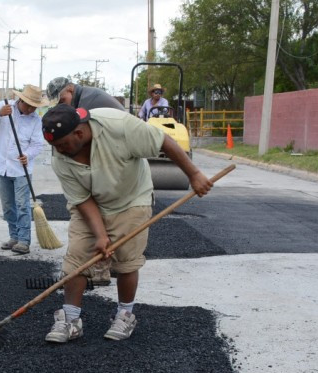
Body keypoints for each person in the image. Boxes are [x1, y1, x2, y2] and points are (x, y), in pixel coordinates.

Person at [39, 104, 212, 344]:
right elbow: (83, 199)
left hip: (131, 199)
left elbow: (163, 141)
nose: (59, 151)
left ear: (79, 133)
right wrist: (100, 235)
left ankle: (125, 314)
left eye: (62, 145)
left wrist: (193, 175)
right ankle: (70, 320)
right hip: (92, 202)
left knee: (127, 260)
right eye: (55, 146)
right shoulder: (60, 158)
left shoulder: (119, 126)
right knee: (76, 258)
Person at [0, 84, 48, 255]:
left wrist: (27, 155)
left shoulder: (35, 120)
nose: (31, 109)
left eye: (35, 107)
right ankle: (14, 236)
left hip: (21, 170)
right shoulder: (5, 107)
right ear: (21, 101)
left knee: (22, 205)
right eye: (29, 106)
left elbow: (37, 144)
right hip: (1, 166)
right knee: (8, 205)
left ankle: (24, 241)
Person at [45, 77, 125, 112]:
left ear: (70, 88)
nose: (62, 106)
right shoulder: (84, 95)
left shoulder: (87, 100)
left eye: (62, 101)